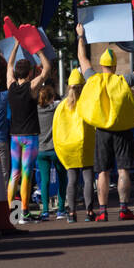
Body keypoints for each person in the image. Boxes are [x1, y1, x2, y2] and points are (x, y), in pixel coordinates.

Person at [75, 24, 134, 221]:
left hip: (101, 131)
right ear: (115, 65)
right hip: (123, 130)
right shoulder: (123, 80)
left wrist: (80, 37)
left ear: (101, 65)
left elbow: (82, 59)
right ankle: (123, 208)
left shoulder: (92, 79)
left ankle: (102, 211)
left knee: (102, 171)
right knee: (123, 169)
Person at [7, 40, 53, 223]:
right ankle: (24, 212)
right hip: (30, 137)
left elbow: (9, 64)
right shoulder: (32, 88)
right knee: (27, 174)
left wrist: (16, 45)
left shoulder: (10, 85)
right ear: (29, 73)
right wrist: (37, 49)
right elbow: (48, 68)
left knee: (14, 174)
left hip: (14, 137)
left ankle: (10, 212)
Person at [52, 69, 97, 222]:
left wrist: (59, 148)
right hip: (86, 145)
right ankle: (89, 211)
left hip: (67, 147)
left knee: (72, 180)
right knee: (88, 179)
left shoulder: (61, 106)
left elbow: (55, 129)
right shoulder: (87, 103)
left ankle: (71, 213)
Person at [36, 84, 66, 220]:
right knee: (62, 178)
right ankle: (61, 209)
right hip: (56, 149)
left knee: (44, 180)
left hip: (41, 150)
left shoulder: (35, 110)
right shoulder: (56, 107)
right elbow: (66, 100)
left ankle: (45, 211)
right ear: (52, 98)